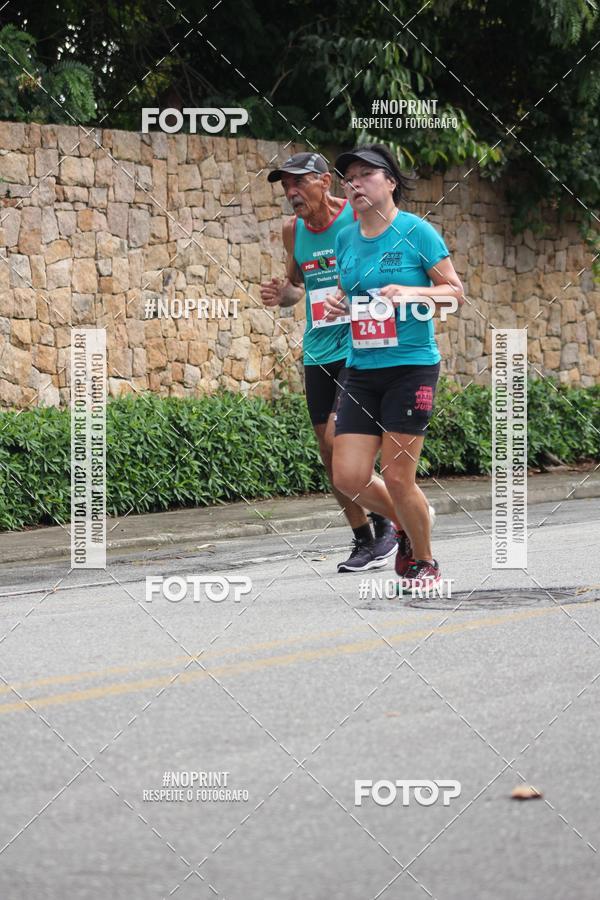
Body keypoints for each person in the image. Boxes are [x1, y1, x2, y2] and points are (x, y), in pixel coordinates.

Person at [324, 144, 464, 589]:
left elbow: (455, 294)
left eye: (366, 174)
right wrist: (339, 303)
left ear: (390, 182)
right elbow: (356, 293)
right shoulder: (345, 237)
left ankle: (426, 563)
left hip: (411, 367)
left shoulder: (417, 232)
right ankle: (404, 524)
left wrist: (413, 293)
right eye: (349, 178)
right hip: (361, 367)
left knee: (398, 476)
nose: (355, 183)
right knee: (347, 476)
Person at [260, 151, 396, 572]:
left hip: (359, 348)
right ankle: (364, 539)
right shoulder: (292, 230)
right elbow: (299, 287)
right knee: (326, 452)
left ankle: (390, 520)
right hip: (318, 350)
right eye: (285, 186)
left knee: (341, 442)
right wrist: (282, 295)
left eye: (298, 182)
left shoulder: (356, 220)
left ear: (324, 181)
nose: (291, 192)